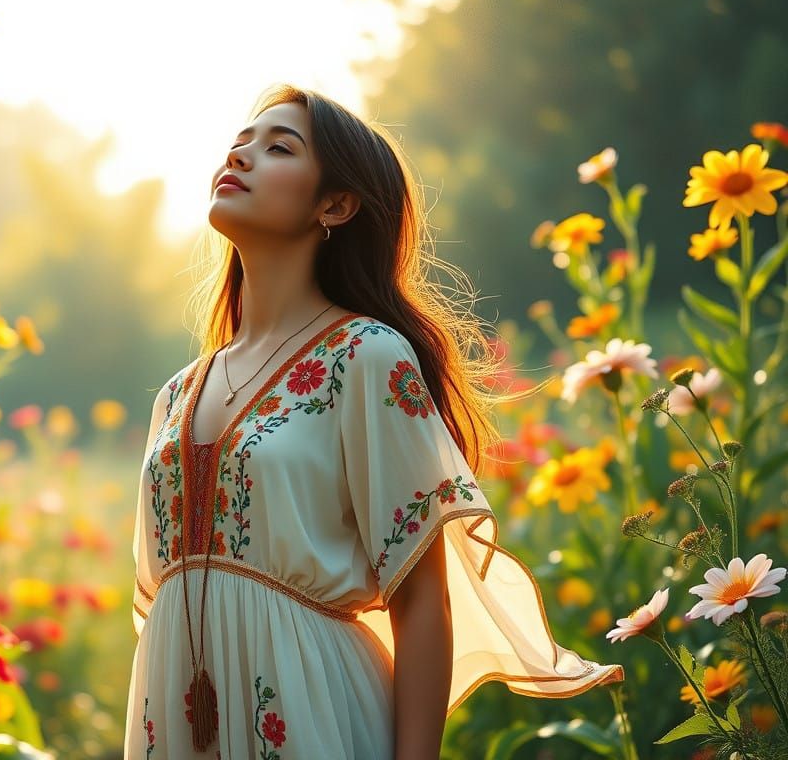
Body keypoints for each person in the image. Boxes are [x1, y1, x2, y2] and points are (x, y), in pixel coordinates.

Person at [123, 84, 623, 760]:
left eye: (278, 147)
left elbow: (421, 604)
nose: (241, 154)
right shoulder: (178, 393)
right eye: (240, 141)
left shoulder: (365, 355)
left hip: (314, 712)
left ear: (335, 204)